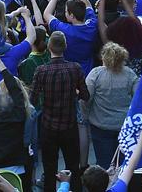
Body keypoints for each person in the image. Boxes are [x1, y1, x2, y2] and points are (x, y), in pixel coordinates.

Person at [31, 31, 88, 192]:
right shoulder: (75, 68)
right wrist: (74, 93)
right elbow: (85, 95)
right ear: (65, 46)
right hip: (69, 126)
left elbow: (32, 100)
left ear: (49, 47)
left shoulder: (41, 70)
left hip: (48, 126)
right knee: (73, 167)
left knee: (49, 170)